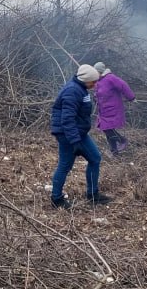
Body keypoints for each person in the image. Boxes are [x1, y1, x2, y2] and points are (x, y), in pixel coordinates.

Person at [49, 63, 111, 208]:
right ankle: (56, 199)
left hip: (78, 133)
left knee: (95, 158)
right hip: (68, 134)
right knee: (65, 165)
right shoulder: (72, 91)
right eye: (94, 82)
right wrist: (75, 141)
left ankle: (93, 194)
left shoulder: (81, 89)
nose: (95, 84)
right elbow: (67, 119)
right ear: (86, 80)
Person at [93, 62, 135, 155]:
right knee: (107, 129)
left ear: (99, 71)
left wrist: (131, 97)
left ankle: (122, 140)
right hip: (104, 110)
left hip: (113, 108)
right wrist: (95, 97)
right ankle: (114, 151)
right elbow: (100, 94)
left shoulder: (110, 78)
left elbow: (123, 86)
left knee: (107, 128)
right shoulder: (99, 81)